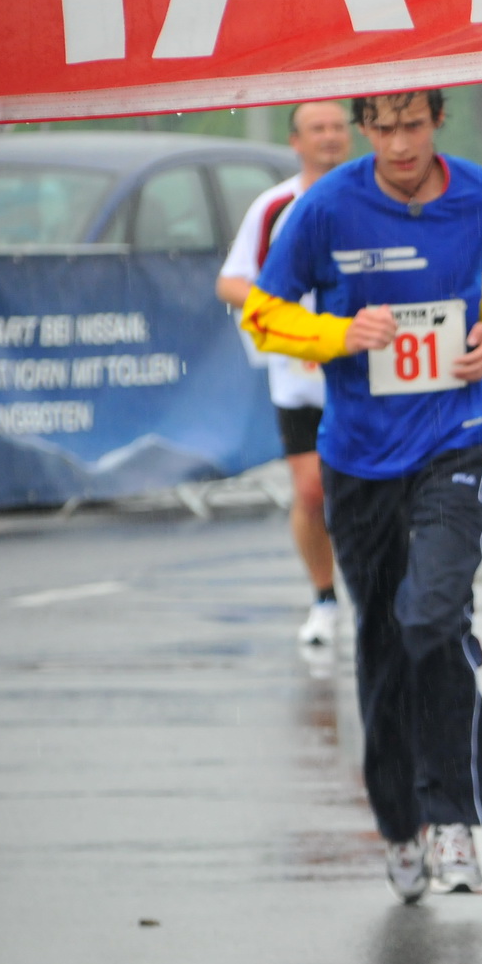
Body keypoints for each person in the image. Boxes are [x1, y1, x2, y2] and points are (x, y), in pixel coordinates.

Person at [241, 90, 482, 905]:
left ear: (439, 121)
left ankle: (453, 816)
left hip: (454, 436)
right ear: (364, 129)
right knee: (384, 641)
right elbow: (263, 313)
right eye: (383, 127)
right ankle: (398, 823)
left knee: (433, 614)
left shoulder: (481, 195)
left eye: (414, 124)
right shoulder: (327, 206)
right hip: (359, 457)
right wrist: (337, 335)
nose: (400, 143)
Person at [216, 100, 352, 645]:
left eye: (338, 127)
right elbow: (231, 283)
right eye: (317, 128)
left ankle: (384, 591)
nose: (329, 137)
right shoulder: (274, 207)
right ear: (296, 141)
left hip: (368, 369)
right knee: (313, 491)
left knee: (376, 489)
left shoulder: (376, 196)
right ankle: (324, 597)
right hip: (300, 373)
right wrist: (287, 309)